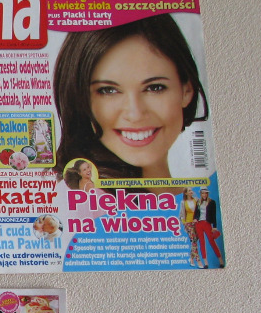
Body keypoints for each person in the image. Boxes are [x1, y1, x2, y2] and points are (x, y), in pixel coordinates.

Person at [54, 14, 209, 186]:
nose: (135, 114)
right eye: (108, 90)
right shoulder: (83, 195)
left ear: (186, 91)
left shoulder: (198, 192)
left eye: (154, 88)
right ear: (79, 99)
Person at [194, 187, 224, 268]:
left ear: (207, 194)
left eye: (205, 193)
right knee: (202, 242)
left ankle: (221, 261)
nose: (204, 195)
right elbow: (196, 213)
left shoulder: (212, 202)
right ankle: (206, 263)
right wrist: (195, 219)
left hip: (207, 223)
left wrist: (214, 226)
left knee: (212, 241)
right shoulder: (198, 202)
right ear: (201, 194)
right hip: (199, 224)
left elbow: (214, 215)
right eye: (202, 193)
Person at [179, 187, 201, 268]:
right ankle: (198, 260)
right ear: (186, 193)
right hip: (188, 223)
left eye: (191, 190)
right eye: (189, 190)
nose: (191, 191)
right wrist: (184, 223)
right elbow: (181, 215)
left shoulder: (196, 200)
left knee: (194, 242)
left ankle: (191, 258)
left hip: (196, 223)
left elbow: (199, 211)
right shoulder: (183, 202)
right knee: (194, 240)